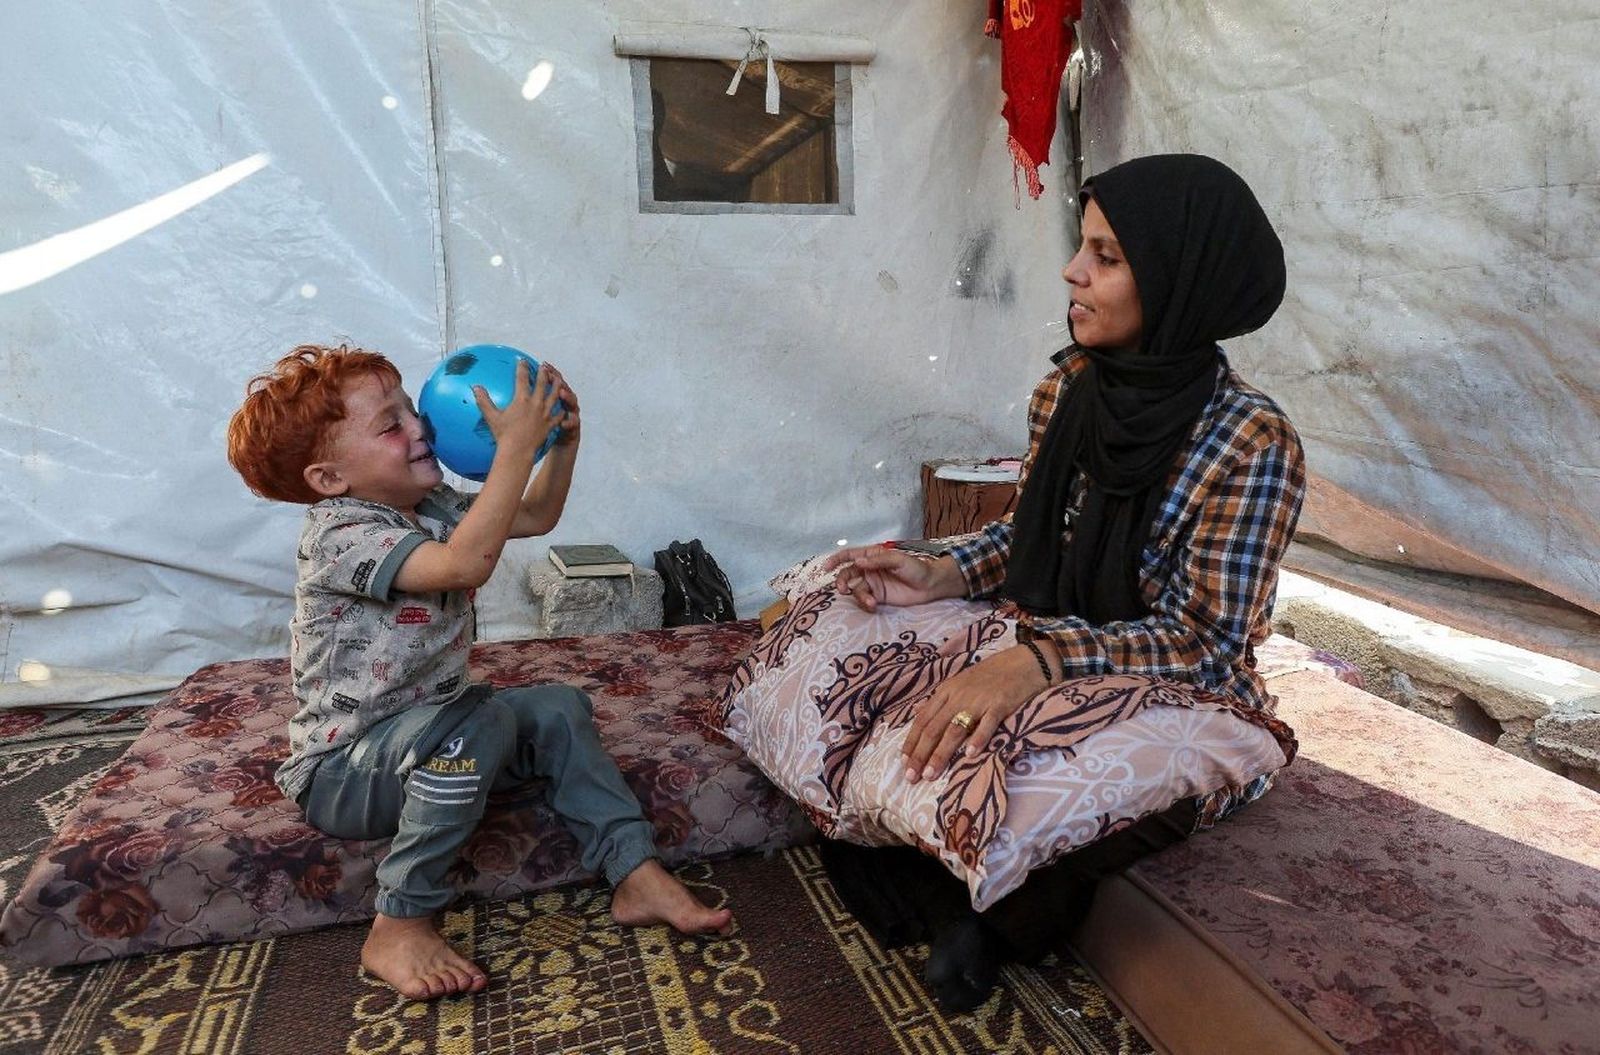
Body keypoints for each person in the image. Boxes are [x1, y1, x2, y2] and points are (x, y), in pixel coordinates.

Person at [820, 153, 1305, 1010]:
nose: (1072, 272)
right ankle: (945, 884)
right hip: (1054, 638)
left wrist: (1038, 665)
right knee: (854, 647)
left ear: (1178, 280)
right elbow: (1030, 535)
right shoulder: (1070, 389)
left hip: (1179, 687)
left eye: (1106, 257)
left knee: (1074, 773)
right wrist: (936, 570)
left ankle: (987, 919)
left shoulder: (1252, 442)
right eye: (1083, 247)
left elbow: (1203, 640)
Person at [225, 344, 732, 1002]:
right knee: (479, 721)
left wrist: (559, 444)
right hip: (346, 772)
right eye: (391, 424)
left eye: (412, 409)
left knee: (557, 708)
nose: (421, 427)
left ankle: (633, 869)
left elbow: (533, 514)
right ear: (328, 479)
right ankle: (399, 921)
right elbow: (465, 563)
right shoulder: (339, 535)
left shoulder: (430, 502)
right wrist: (514, 447)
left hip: (433, 734)